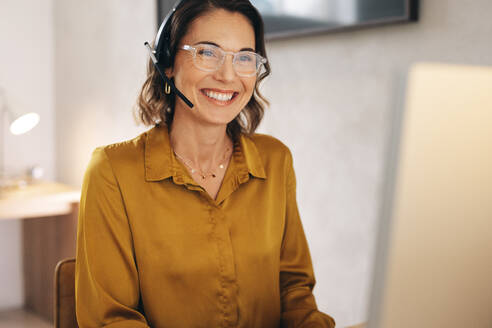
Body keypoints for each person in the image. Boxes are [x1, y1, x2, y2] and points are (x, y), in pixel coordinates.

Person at [75, 0, 336, 327]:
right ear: (168, 63)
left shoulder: (275, 160)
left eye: (244, 58)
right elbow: (110, 320)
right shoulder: (112, 170)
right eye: (207, 52)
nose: (228, 75)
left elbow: (294, 291)